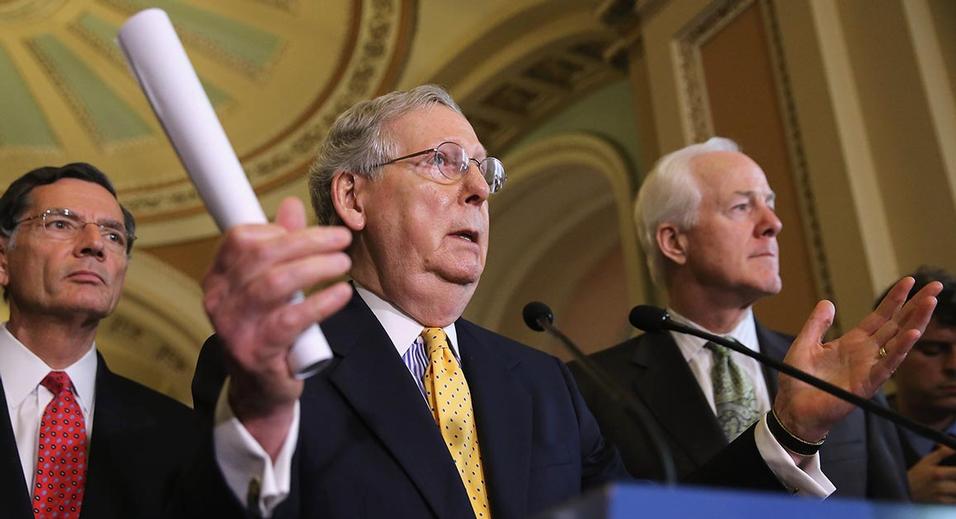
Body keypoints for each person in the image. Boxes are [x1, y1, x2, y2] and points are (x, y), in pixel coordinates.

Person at [193, 87, 939, 518]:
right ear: (352, 195)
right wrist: (261, 406)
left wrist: (789, 431)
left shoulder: (541, 381)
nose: (480, 188)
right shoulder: (273, 360)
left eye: (485, 170)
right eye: (444, 163)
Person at [572, 137, 912, 500]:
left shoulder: (839, 371)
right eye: (741, 207)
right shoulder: (590, 390)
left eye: (769, 204)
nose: (773, 224)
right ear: (674, 242)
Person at [0, 164, 198, 518]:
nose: (94, 245)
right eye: (60, 223)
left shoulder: (180, 436)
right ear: (3, 259)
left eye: (113, 236)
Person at [883, 267, 956, 503]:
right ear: (887, 351)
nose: (953, 365)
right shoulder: (849, 436)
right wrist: (900, 498)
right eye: (933, 350)